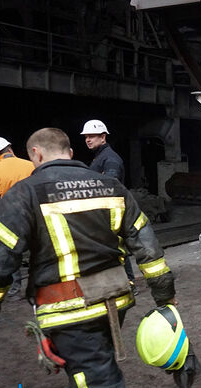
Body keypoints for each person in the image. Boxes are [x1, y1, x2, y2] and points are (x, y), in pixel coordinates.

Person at [0, 128, 177, 388]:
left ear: (36, 154)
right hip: (115, 302)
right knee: (89, 374)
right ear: (71, 152)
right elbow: (146, 245)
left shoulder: (25, 193)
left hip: (68, 311)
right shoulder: (112, 187)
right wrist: (165, 295)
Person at [81, 119, 137, 295]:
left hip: (110, 211)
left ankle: (129, 283)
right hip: (105, 210)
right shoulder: (100, 158)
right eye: (86, 137)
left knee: (116, 247)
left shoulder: (110, 159)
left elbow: (110, 186)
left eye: (92, 136)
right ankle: (122, 282)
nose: (88, 140)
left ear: (103, 137)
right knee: (112, 247)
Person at [0, 136, 34, 297]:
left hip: (8, 220)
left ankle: (15, 289)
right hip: (33, 215)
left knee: (11, 253)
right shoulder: (31, 165)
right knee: (37, 250)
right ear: (10, 148)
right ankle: (36, 286)